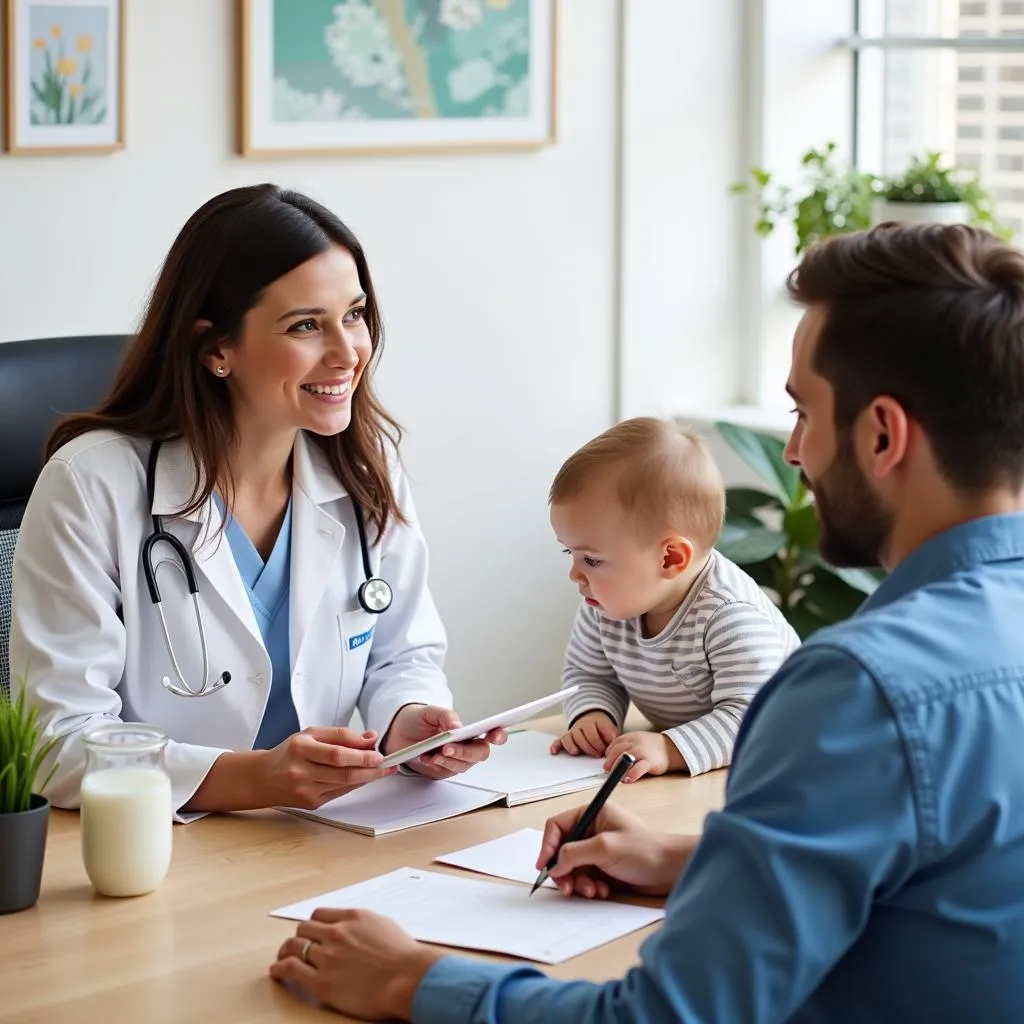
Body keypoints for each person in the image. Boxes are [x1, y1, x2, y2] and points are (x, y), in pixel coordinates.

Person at [271, 221, 1024, 1023]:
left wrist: (409, 981)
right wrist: (696, 859)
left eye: (803, 412)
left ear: (881, 435)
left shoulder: (860, 694)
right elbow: (953, 881)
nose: (795, 450)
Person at [10, 184, 503, 822]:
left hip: (315, 839)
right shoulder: (92, 485)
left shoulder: (364, 470)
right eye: (306, 325)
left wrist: (409, 722)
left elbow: (402, 655)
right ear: (217, 348)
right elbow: (58, 743)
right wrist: (256, 779)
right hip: (156, 853)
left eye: (354, 314)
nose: (348, 352)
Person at [548, 417, 799, 781]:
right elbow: (587, 673)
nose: (575, 574)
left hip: (785, 759)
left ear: (670, 559)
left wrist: (671, 748)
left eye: (591, 559)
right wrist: (592, 714)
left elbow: (757, 716)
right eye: (568, 554)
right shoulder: (604, 604)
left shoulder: (729, 615)